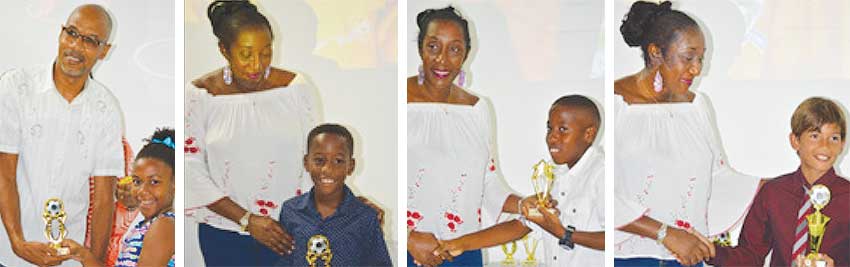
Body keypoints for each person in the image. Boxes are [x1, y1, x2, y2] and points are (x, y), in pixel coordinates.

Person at [184, 1, 382, 265]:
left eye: (266, 52)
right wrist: (246, 220)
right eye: (246, 54)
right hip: (223, 233)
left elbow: (317, 158)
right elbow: (190, 169)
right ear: (224, 50)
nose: (257, 64)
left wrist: (350, 206)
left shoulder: (295, 89)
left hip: (290, 231)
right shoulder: (200, 94)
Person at [613, 1, 761, 266]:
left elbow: (717, 178)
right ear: (656, 52)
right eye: (688, 57)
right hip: (626, 257)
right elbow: (599, 192)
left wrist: (784, 186)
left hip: (687, 259)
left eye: (701, 58)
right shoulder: (616, 103)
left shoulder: (697, 106)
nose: (696, 69)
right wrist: (664, 233)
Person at [407, 6, 538, 266]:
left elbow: (487, 186)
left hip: (463, 252)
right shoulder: (399, 100)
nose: (442, 60)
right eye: (433, 47)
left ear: (466, 53)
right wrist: (408, 236)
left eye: (454, 49)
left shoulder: (478, 109)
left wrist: (526, 206)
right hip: (413, 253)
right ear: (421, 47)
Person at [0, 4, 122, 266]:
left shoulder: (106, 109)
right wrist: (17, 242)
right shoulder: (16, 87)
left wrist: (95, 263)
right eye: (72, 33)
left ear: (104, 51)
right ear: (60, 34)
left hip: (66, 258)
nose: (76, 47)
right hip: (7, 252)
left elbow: (103, 199)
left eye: (90, 40)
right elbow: (4, 173)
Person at [433, 95, 606, 266]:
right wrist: (456, 244)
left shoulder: (603, 174)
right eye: (549, 128)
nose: (551, 137)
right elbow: (521, 226)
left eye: (562, 129)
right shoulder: (556, 177)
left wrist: (564, 234)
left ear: (589, 134)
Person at [703, 97, 847, 267]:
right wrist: (710, 251)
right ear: (795, 141)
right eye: (815, 136)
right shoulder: (773, 194)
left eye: (834, 138)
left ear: (842, 145)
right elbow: (750, 255)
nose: (825, 145)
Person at [271, 124, 392, 266]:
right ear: (306, 163)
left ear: (351, 166)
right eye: (319, 160)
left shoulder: (366, 217)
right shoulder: (290, 210)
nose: (327, 169)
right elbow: (283, 261)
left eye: (338, 161)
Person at [63, 128, 176, 267]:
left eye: (154, 182)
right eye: (137, 181)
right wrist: (82, 254)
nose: (142, 191)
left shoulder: (164, 226)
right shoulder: (151, 225)